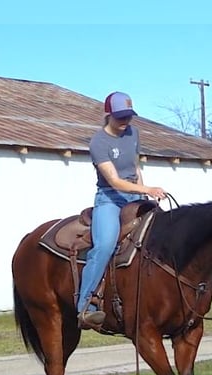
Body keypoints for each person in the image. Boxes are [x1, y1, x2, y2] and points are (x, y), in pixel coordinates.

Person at [77, 91, 166, 330]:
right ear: (109, 115)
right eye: (120, 117)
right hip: (109, 198)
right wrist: (147, 189)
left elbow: (135, 167)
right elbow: (114, 181)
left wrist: (143, 194)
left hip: (136, 194)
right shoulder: (99, 142)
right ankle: (85, 305)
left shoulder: (133, 133)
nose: (125, 121)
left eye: (129, 116)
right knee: (105, 245)